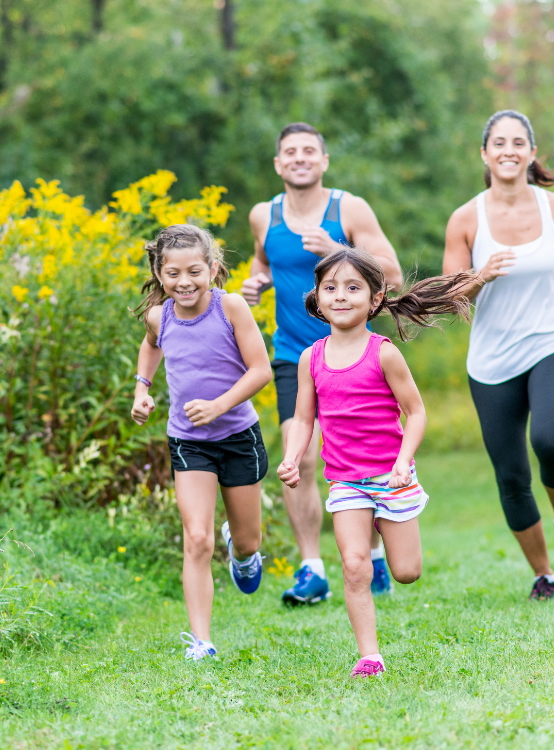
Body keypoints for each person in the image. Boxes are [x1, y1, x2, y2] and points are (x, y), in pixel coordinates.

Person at [277, 247, 476, 677]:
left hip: (392, 475)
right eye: (330, 288)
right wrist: (292, 457)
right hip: (345, 481)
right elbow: (303, 418)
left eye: (353, 288)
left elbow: (417, 412)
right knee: (352, 565)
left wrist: (405, 460)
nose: (340, 296)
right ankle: (370, 656)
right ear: (317, 296)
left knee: (407, 572)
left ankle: (384, 536)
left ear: (375, 298)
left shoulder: (383, 353)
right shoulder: (311, 358)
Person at [443, 110, 554, 601]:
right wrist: (481, 275)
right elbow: (452, 295)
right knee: (511, 474)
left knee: (551, 439)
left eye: (518, 142)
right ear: (484, 154)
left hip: (552, 340)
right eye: (498, 142)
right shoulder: (466, 219)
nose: (508, 150)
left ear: (531, 153)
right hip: (491, 360)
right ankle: (543, 573)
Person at [242, 122, 403, 605]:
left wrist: (337, 252)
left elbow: (390, 273)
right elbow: (265, 263)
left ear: (324, 160)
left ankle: (372, 555)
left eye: (309, 151)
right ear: (278, 164)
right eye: (289, 152)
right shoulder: (262, 215)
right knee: (301, 456)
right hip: (295, 354)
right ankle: (312, 567)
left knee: (365, 458)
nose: (299, 158)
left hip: (355, 355)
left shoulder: (348, 208)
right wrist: (257, 283)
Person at [131, 224, 272, 660]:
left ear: (212, 269)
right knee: (196, 538)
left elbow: (261, 370)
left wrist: (218, 405)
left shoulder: (230, 307)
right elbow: (151, 345)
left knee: (248, 541)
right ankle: (202, 641)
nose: (184, 282)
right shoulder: (161, 315)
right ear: (159, 273)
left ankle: (244, 553)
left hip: (237, 436)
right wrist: (142, 389)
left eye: (194, 271)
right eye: (172, 274)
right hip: (188, 441)